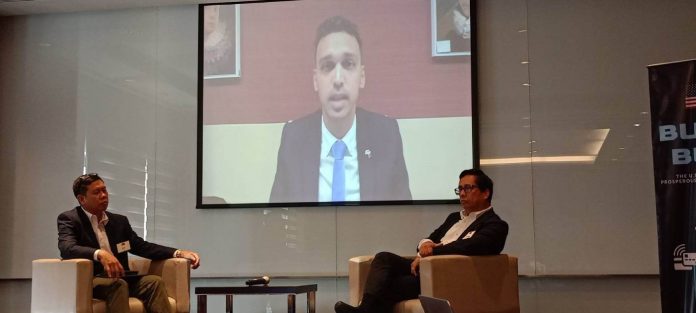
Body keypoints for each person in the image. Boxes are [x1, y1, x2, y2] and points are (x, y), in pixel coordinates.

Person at [270, 15, 411, 203]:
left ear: (361, 76)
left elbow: (403, 218)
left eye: (348, 64)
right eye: (327, 66)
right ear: (315, 80)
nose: (337, 79)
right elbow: (275, 219)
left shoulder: (386, 135)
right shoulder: (294, 138)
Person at [334, 168, 508, 313]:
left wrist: (433, 251)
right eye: (459, 189)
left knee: (388, 285)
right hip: (423, 268)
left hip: (446, 276)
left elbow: (473, 246)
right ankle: (365, 310)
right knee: (384, 258)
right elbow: (431, 238)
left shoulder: (495, 224)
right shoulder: (454, 217)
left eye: (468, 188)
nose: (462, 193)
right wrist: (424, 245)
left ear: (486, 192)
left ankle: (364, 311)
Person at [58, 173, 201, 313]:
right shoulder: (70, 219)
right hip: (92, 282)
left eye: (104, 190)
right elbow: (67, 248)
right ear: (82, 199)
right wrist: (100, 254)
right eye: (97, 192)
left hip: (123, 278)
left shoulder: (119, 221)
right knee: (117, 285)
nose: (103, 195)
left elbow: (141, 247)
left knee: (153, 282)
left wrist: (178, 253)